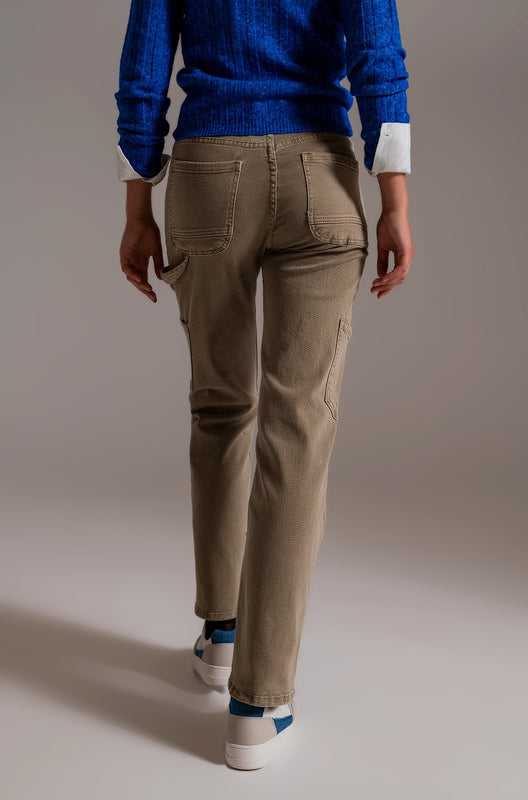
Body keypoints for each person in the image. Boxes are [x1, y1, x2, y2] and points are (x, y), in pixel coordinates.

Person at [114, 0, 414, 770]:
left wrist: (137, 205)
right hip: (322, 175)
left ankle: (221, 635)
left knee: (219, 407)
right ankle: (258, 703)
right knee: (297, 433)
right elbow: (377, 59)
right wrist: (394, 200)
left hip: (208, 174)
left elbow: (143, 75)